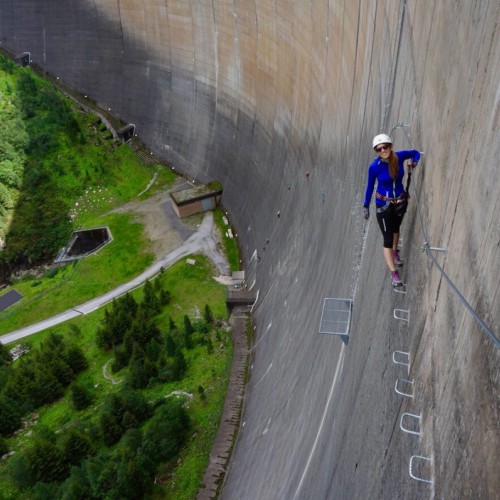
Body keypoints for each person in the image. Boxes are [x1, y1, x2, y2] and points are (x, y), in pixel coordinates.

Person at [363, 134, 420, 287]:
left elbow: (416, 153)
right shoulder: (374, 167)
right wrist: (366, 205)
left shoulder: (399, 157)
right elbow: (369, 187)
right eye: (379, 149)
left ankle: (395, 252)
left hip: (400, 202)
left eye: (385, 147)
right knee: (387, 238)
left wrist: (413, 163)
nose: (383, 150)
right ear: (376, 151)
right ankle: (394, 273)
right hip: (383, 206)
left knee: (396, 228)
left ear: (390, 145)